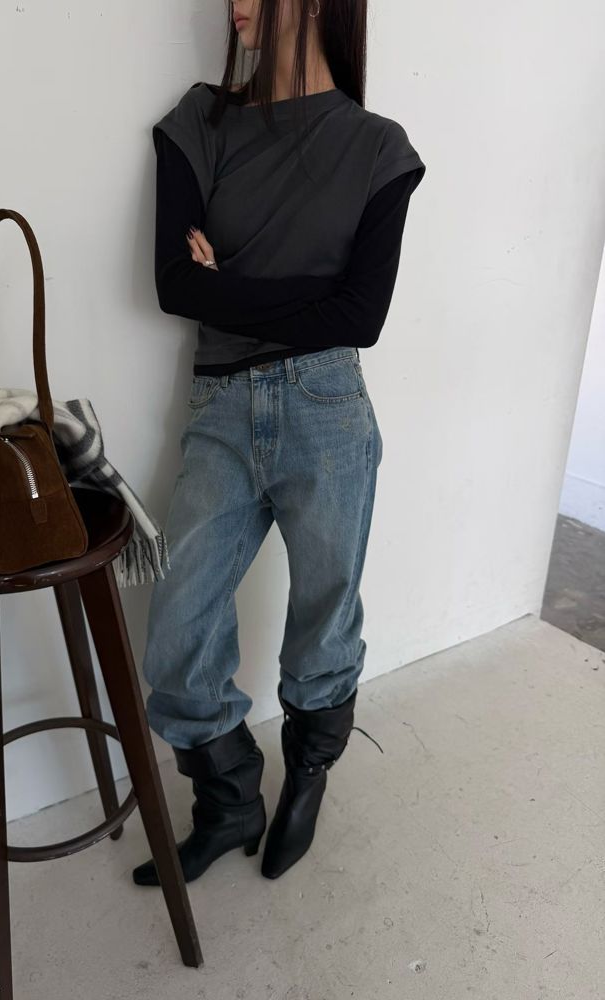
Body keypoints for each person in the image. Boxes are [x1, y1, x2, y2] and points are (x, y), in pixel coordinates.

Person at [132, 0, 426, 886]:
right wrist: (303, 297)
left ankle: (307, 777)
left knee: (324, 617)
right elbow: (175, 286)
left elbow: (361, 318)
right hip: (221, 407)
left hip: (328, 406)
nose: (236, 7)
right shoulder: (201, 120)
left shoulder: (379, 147)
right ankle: (230, 799)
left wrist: (232, 285)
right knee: (178, 620)